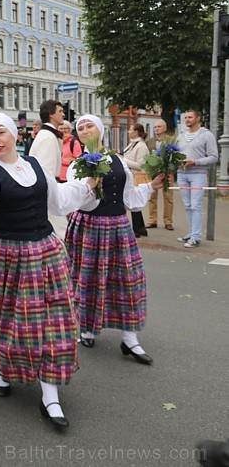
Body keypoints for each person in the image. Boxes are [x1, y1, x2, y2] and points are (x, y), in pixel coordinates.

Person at [0, 113, 97, 431]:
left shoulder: (35, 165)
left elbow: (58, 201)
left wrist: (87, 186)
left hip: (45, 251)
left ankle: (50, 395)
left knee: (52, 321)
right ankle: (6, 369)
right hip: (7, 254)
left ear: (14, 134)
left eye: (1, 133)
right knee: (8, 317)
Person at [65, 115, 164, 365]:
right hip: (88, 226)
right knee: (87, 280)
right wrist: (91, 184)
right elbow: (76, 200)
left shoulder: (118, 160)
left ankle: (130, 339)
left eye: (90, 126)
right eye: (81, 128)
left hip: (119, 226)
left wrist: (152, 185)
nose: (86, 130)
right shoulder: (77, 164)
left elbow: (129, 197)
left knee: (128, 280)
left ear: (100, 129)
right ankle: (86, 329)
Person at [176, 109, 218, 248]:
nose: (187, 119)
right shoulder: (181, 136)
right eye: (186, 117)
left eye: (190, 117)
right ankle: (192, 232)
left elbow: (213, 157)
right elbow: (175, 153)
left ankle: (196, 237)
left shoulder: (206, 135)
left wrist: (195, 162)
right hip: (182, 173)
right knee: (187, 205)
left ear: (197, 118)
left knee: (196, 205)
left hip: (198, 173)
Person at [29, 100, 67, 238]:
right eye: (60, 111)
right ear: (51, 114)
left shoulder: (48, 135)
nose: (63, 114)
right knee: (59, 232)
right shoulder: (48, 137)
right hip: (48, 192)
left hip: (48, 190)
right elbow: (47, 173)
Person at [121, 123, 151, 238]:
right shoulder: (133, 144)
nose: (128, 131)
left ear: (137, 132)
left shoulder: (141, 146)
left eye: (131, 129)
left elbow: (140, 165)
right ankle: (140, 227)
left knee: (133, 201)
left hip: (137, 176)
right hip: (131, 176)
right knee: (133, 201)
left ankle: (137, 229)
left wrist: (123, 160)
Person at [145, 120, 174, 230]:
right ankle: (152, 220)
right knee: (152, 197)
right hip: (153, 173)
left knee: (168, 198)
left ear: (164, 128)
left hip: (167, 172)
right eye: (155, 127)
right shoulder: (149, 142)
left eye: (159, 127)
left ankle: (168, 221)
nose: (156, 129)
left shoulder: (170, 141)